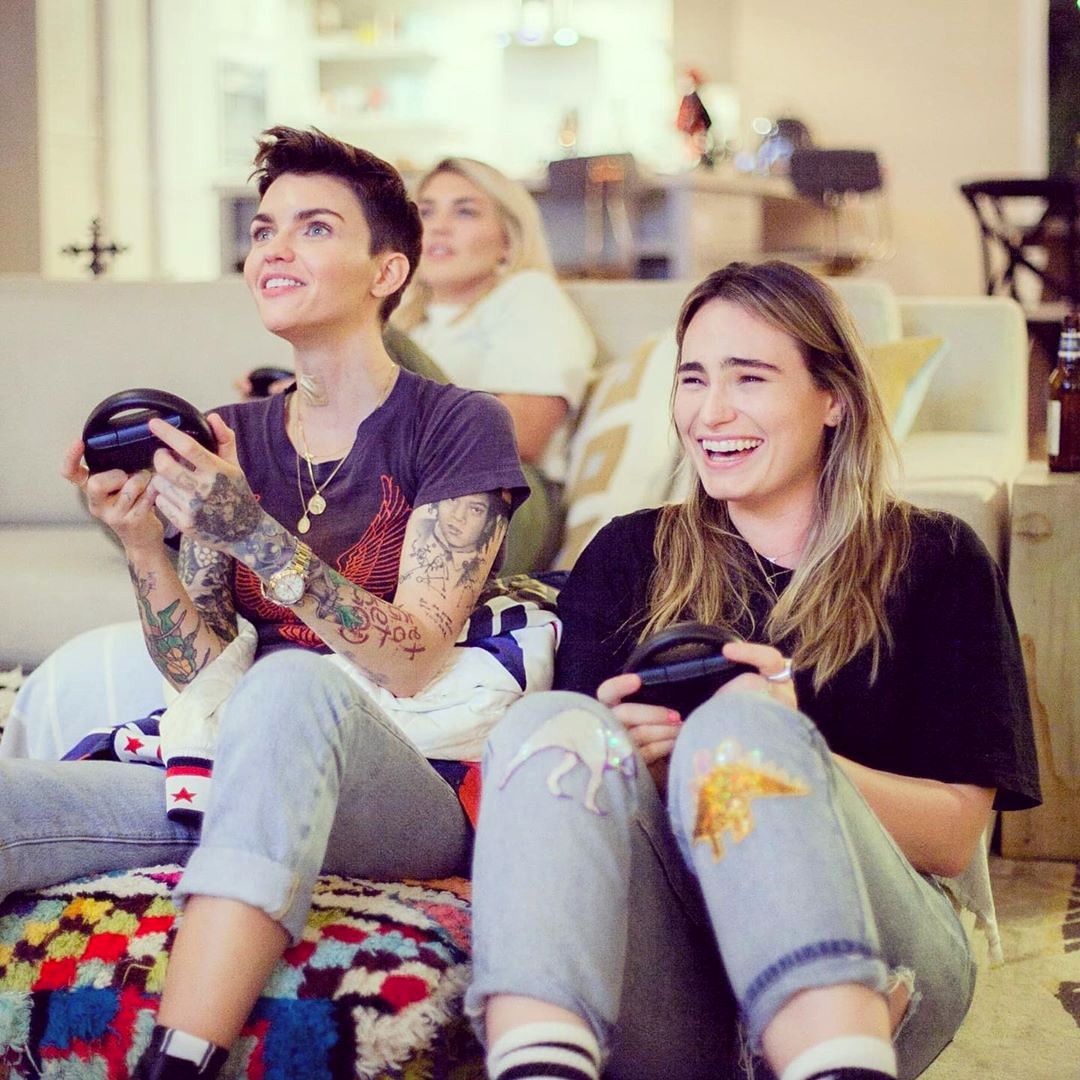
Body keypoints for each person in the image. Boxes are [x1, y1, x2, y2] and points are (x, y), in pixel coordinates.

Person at [0, 125, 527, 1079]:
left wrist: (249, 528)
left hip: (403, 777)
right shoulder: (228, 435)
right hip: (230, 773)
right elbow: (200, 671)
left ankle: (182, 1056)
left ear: (386, 271)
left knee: (290, 687)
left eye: (314, 227)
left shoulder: (458, 424)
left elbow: (413, 656)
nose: (275, 248)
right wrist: (141, 544)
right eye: (263, 229)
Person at [464, 261, 1040, 1080]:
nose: (711, 412)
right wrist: (627, 761)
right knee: (545, 728)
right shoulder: (629, 553)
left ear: (833, 397)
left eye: (750, 378)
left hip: (885, 954)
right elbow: (578, 820)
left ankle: (830, 1053)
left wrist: (781, 750)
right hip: (684, 966)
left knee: (741, 733)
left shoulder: (936, 558)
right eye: (693, 378)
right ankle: (539, 1061)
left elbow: (952, 837)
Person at [392, 156, 596, 572]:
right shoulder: (409, 325)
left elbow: (521, 436)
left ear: (508, 238)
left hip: (505, 494)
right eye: (425, 212)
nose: (438, 227)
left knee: (362, 330)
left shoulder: (527, 295)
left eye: (464, 212)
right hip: (402, 495)